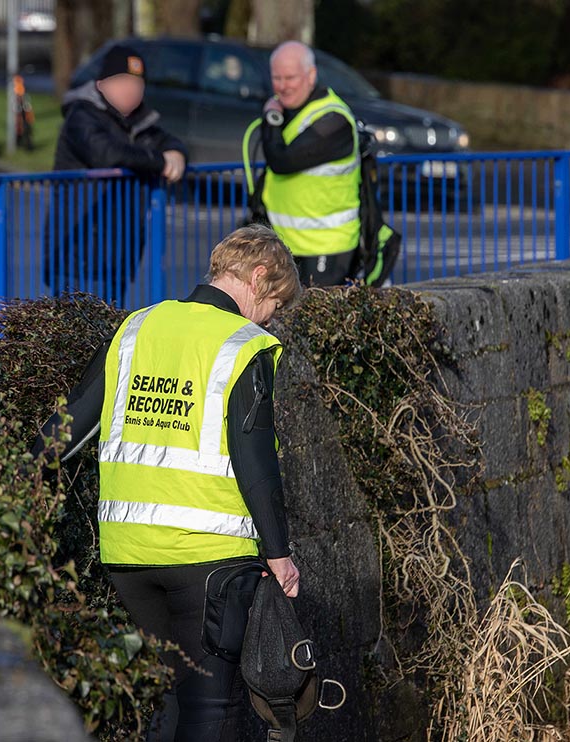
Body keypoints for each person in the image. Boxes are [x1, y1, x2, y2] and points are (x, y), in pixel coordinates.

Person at [34, 225, 303, 741]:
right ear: (258, 275)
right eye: (276, 303)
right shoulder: (245, 344)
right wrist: (278, 552)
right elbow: (255, 460)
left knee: (161, 703)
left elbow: (67, 426)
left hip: (128, 554)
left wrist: (8, 482)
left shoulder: (137, 327)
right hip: (210, 559)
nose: (274, 317)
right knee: (211, 707)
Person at [48, 44, 188, 303]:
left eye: (137, 83)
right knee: (81, 335)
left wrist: (177, 155)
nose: (130, 90)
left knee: (109, 334)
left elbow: (170, 142)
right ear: (101, 84)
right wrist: (160, 161)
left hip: (119, 253)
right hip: (79, 252)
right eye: (122, 81)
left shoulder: (140, 123)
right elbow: (106, 154)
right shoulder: (82, 115)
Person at [244, 40, 361, 287]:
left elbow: (282, 160)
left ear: (311, 75)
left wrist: (271, 120)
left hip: (326, 246)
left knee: (316, 321)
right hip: (285, 244)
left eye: (290, 78)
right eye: (277, 78)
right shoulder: (289, 112)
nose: (283, 86)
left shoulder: (333, 119)